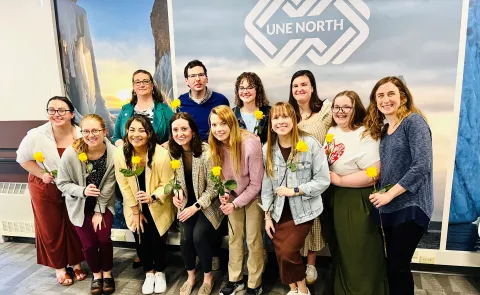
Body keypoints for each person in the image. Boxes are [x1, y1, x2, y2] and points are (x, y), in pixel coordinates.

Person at [364, 76, 433, 295]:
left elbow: (422, 165)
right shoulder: (386, 130)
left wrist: (389, 195)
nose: (386, 99)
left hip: (412, 207)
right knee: (392, 268)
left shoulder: (413, 122)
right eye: (380, 96)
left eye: (391, 93)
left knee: (398, 267)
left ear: (402, 96)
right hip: (392, 208)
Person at [321, 91, 388, 295]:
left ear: (355, 108)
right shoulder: (332, 130)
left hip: (355, 197)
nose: (339, 112)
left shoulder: (365, 134)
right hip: (332, 196)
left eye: (345, 107)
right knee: (339, 248)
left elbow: (374, 173)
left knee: (358, 250)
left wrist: (340, 180)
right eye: (336, 107)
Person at [261, 102, 329, 295]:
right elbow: (266, 186)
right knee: (282, 253)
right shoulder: (268, 149)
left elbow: (323, 180)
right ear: (271, 122)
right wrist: (267, 216)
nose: (280, 122)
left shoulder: (310, 144)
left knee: (289, 252)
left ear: (294, 119)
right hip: (277, 212)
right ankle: (294, 289)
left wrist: (296, 190)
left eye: (285, 117)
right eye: (276, 118)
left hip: (304, 210)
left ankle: (303, 289)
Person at [16, 96, 85, 286]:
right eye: (52, 110)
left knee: (74, 224)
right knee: (51, 227)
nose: (57, 114)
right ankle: (60, 268)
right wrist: (41, 173)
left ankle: (77, 263)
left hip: (72, 187)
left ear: (72, 114)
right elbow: (22, 159)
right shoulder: (36, 135)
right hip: (44, 186)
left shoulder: (81, 134)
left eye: (62, 110)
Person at [114, 114, 175, 295]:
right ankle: (149, 272)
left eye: (141, 130)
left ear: (149, 133)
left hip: (157, 205)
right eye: (132, 130)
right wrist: (135, 210)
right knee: (140, 237)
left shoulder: (161, 155)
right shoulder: (121, 154)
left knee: (156, 239)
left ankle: (160, 272)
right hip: (134, 206)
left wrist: (152, 197)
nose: (136, 134)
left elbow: (168, 183)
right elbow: (123, 184)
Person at [56, 114, 116, 295]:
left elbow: (109, 186)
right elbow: (62, 183)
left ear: (104, 131)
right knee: (89, 244)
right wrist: (82, 191)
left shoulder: (113, 154)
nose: (91, 135)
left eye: (95, 130)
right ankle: (97, 276)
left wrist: (99, 210)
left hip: (103, 204)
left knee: (103, 239)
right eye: (86, 131)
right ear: (81, 133)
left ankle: (107, 273)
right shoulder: (71, 153)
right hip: (79, 206)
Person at [209, 106, 265, 295]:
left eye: (223, 123)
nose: (218, 129)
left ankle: (255, 283)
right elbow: (222, 178)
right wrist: (223, 194)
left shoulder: (251, 142)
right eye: (214, 124)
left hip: (252, 197)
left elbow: (256, 183)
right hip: (232, 197)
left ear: (232, 122)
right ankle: (235, 279)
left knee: (253, 239)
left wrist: (235, 203)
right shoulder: (215, 144)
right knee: (234, 238)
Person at [168, 113, 224, 295]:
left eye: (184, 129)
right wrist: (176, 192)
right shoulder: (173, 153)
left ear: (192, 130)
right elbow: (175, 180)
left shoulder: (207, 153)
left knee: (198, 236)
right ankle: (191, 276)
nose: (180, 133)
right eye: (175, 130)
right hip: (186, 204)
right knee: (185, 239)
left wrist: (196, 207)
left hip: (207, 205)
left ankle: (208, 277)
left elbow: (215, 188)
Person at [288, 70, 332, 283]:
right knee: (293, 222)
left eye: (304, 85)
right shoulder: (288, 115)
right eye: (295, 86)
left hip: (316, 175)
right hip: (291, 178)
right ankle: (295, 267)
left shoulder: (325, 111)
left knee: (313, 219)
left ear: (312, 87)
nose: (299, 89)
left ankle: (311, 265)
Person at [113, 69, 174, 146]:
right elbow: (116, 137)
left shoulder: (165, 109)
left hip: (158, 156)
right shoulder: (125, 109)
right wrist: (123, 147)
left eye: (145, 81)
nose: (142, 85)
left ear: (152, 85)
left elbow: (175, 135)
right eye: (138, 82)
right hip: (130, 157)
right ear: (134, 86)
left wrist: (164, 148)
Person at [178, 60, 229, 142]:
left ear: (207, 79)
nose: (197, 79)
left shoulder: (221, 100)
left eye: (201, 75)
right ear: (186, 81)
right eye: (193, 76)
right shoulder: (180, 102)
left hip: (217, 149)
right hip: (191, 150)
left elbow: (230, 127)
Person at [232, 72, 271, 144]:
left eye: (250, 87)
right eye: (241, 88)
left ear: (258, 90)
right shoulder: (232, 114)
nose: (245, 91)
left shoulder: (269, 112)